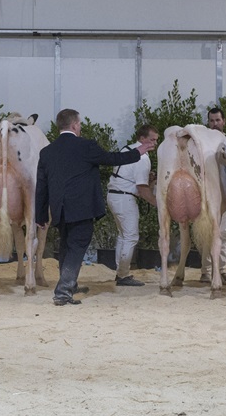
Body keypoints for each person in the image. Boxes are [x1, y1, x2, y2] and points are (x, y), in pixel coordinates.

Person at [35, 108, 155, 306]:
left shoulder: (47, 152)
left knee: (66, 245)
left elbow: (42, 187)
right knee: (77, 245)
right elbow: (112, 159)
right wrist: (137, 152)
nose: (80, 127)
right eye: (79, 124)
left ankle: (70, 284)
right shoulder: (86, 146)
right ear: (74, 125)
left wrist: (40, 215)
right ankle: (63, 291)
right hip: (81, 208)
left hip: (60, 209)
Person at [107, 124, 160, 287]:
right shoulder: (142, 157)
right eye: (151, 140)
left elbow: (133, 179)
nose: (154, 144)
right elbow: (142, 189)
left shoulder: (127, 149)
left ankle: (120, 272)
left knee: (123, 236)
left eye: (156, 141)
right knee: (130, 237)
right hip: (125, 198)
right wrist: (158, 204)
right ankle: (123, 275)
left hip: (114, 196)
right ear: (142, 139)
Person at [200, 107, 226, 284]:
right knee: (210, 232)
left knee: (223, 233)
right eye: (211, 121)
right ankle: (206, 271)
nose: (214, 124)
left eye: (217, 120)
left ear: (223, 121)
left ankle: (221, 269)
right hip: (210, 193)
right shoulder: (202, 140)